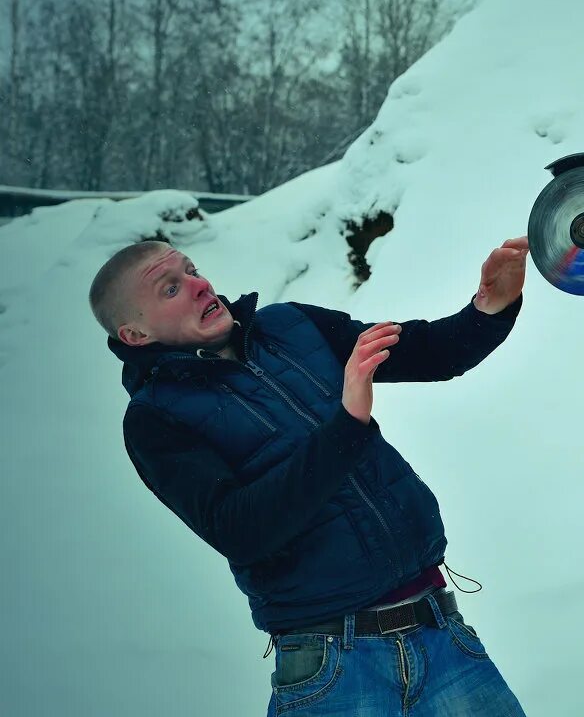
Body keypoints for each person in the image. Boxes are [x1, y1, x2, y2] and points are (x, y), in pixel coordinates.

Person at [89, 236, 530, 716]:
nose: (199, 285)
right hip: (333, 666)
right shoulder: (156, 419)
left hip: (440, 633)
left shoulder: (291, 325)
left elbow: (430, 352)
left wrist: (491, 306)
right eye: (170, 289)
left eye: (191, 270)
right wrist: (346, 427)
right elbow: (240, 530)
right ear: (135, 335)